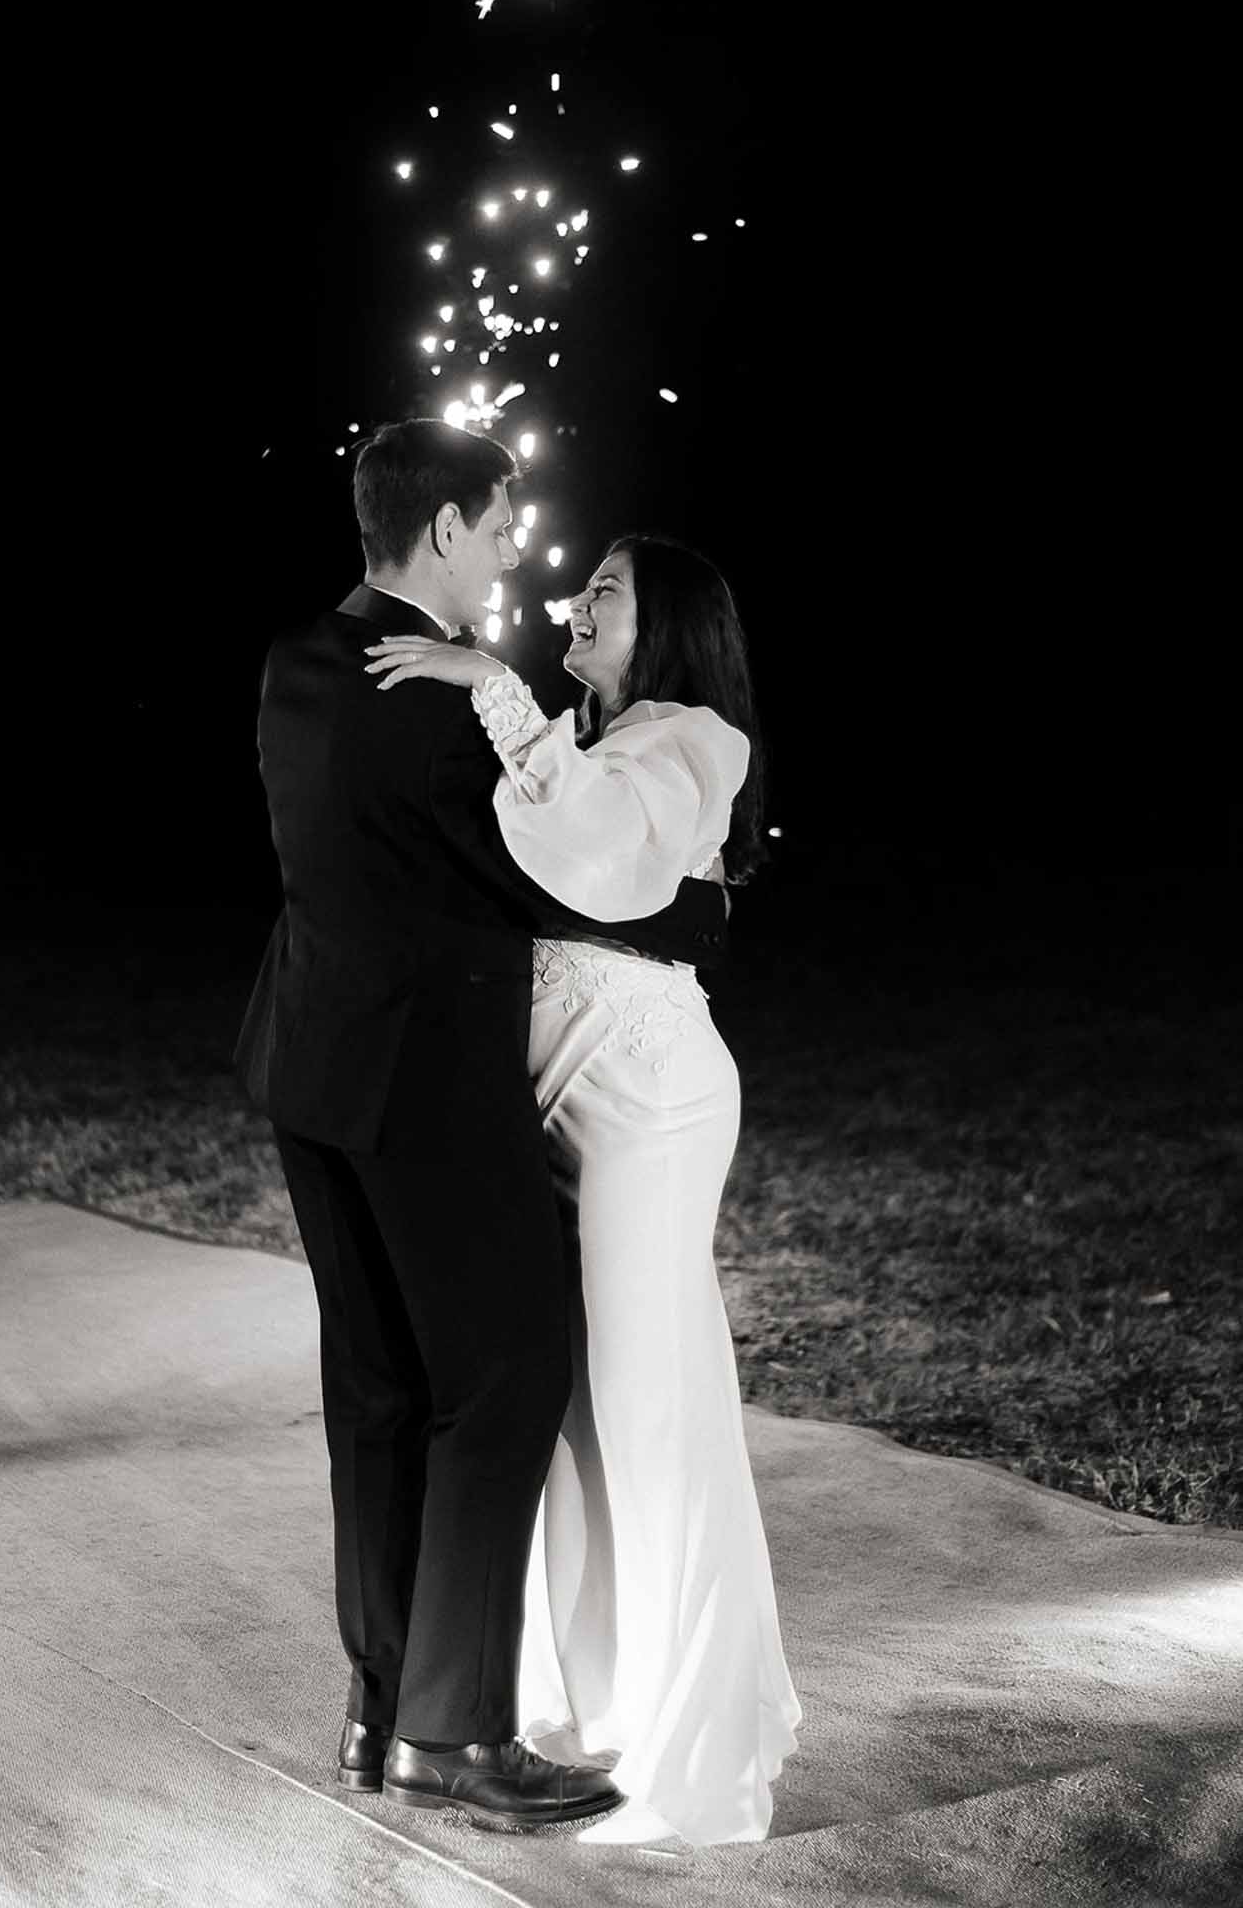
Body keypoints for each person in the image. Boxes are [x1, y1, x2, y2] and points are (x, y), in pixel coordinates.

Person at [234, 420, 731, 1833]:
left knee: (378, 1395)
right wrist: (700, 911)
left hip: (308, 1070)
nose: (517, 553)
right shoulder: (444, 703)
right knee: (505, 1381)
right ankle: (451, 1737)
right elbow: (553, 880)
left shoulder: (296, 663)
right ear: (444, 529)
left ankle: (379, 1710)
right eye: (502, 526)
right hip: (429, 1088)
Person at [364, 534, 803, 1843]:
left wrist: (490, 686)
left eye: (605, 587)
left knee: (647, 1404)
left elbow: (600, 848)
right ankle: (594, 1700)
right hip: (553, 1101)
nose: (577, 598)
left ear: (667, 623)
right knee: (565, 1414)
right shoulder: (594, 738)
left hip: (646, 1099)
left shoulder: (694, 740)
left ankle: (688, 1732)